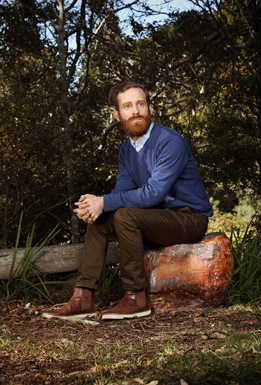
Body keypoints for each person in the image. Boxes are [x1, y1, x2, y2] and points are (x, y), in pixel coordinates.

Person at [43, 81, 213, 320]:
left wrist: (104, 201)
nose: (135, 111)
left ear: (150, 109)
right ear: (117, 114)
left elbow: (154, 193)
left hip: (188, 219)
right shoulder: (126, 150)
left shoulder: (170, 141)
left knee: (122, 213)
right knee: (103, 217)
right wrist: (94, 208)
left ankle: (135, 297)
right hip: (153, 219)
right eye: (127, 106)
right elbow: (122, 192)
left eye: (140, 104)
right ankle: (83, 297)